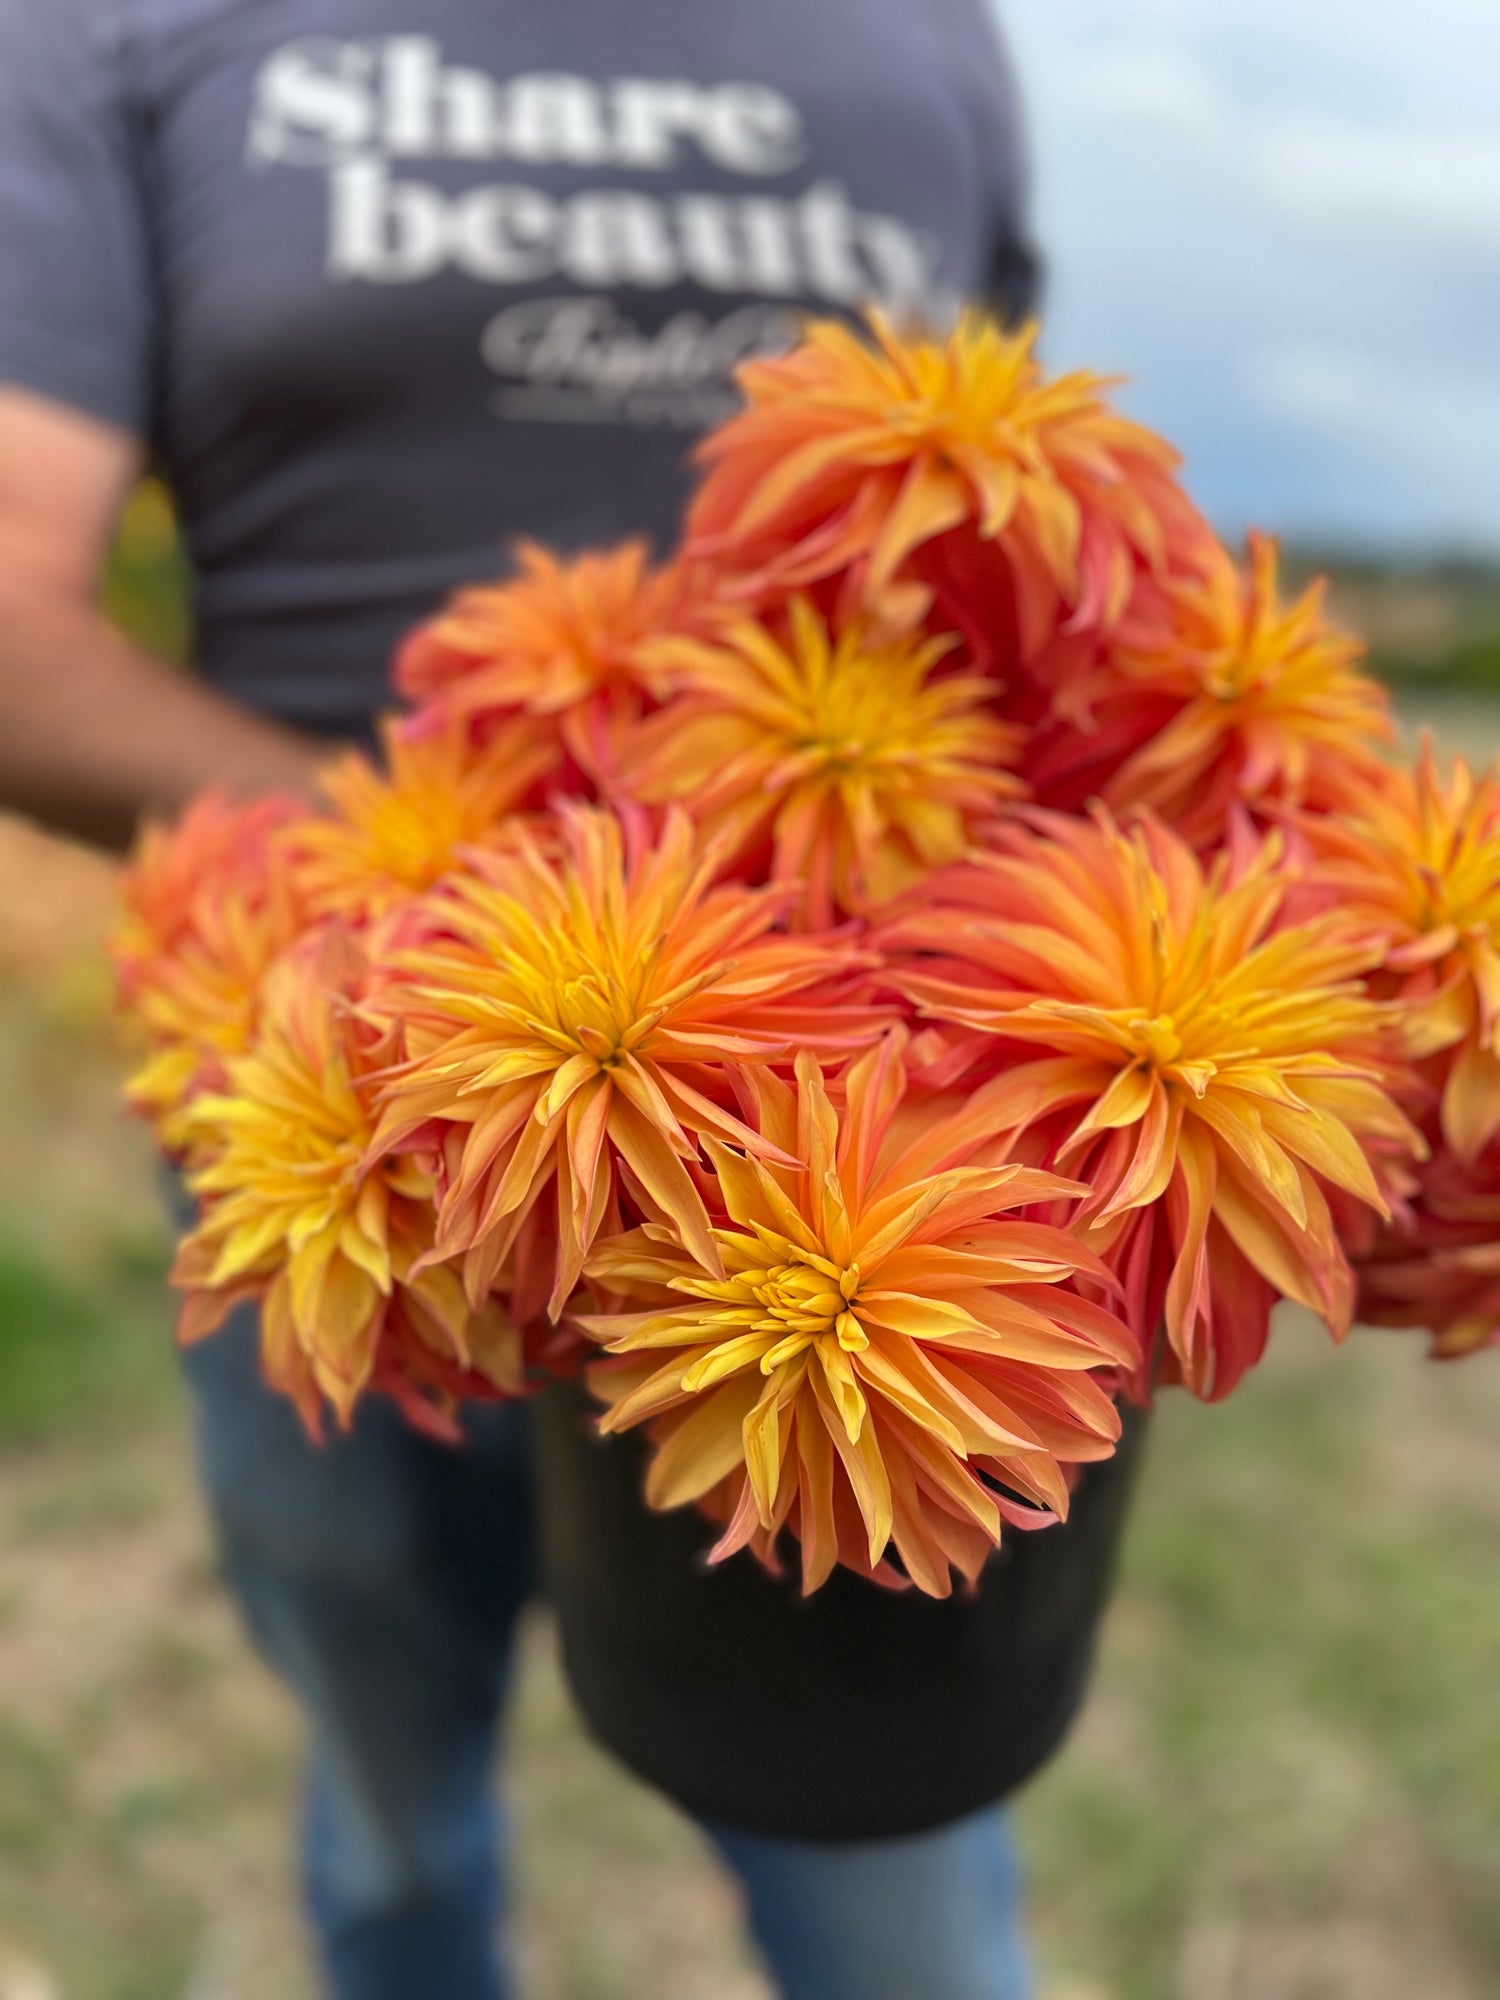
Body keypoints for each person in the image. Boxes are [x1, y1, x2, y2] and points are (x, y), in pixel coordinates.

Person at [0, 7, 1072, 1996]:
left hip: (861, 1120)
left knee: (898, 1880)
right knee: (390, 1786)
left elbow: (1017, 540)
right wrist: (425, 891)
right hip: (324, 1057)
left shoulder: (925, 38)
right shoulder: (121, 29)